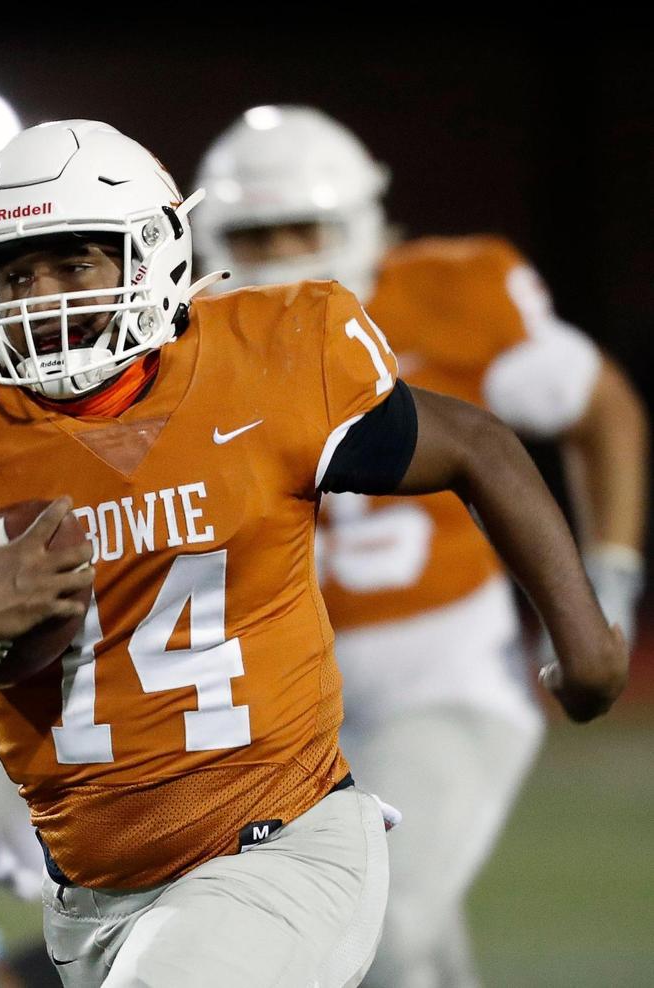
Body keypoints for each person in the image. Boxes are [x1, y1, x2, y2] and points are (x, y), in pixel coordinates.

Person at [0, 119, 628, 988]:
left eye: (76, 263)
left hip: (283, 847)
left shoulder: (270, 360)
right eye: (15, 272)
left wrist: (586, 633)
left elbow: (479, 444)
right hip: (95, 894)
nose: (43, 297)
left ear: (148, 254)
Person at [194, 105, 648, 987]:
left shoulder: (452, 298)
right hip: (269, 705)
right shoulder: (191, 343)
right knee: (409, 951)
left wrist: (610, 579)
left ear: (360, 223)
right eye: (256, 232)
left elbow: (602, 410)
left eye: (305, 227)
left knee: (376, 927)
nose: (285, 252)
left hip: (437, 675)